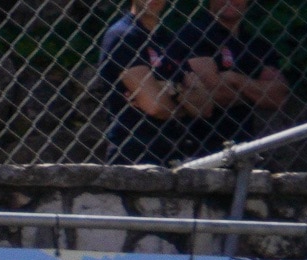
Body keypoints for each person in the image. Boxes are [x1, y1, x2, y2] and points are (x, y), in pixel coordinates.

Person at [95, 0, 194, 166]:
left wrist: (168, 92)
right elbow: (155, 106)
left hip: (176, 151)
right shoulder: (123, 35)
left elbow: (204, 106)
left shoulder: (168, 39)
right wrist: (183, 98)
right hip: (134, 154)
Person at [179, 0, 291, 142]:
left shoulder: (255, 44)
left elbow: (278, 96)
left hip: (243, 145)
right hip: (200, 145)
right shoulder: (194, 34)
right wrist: (256, 93)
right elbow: (214, 92)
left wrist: (234, 78)